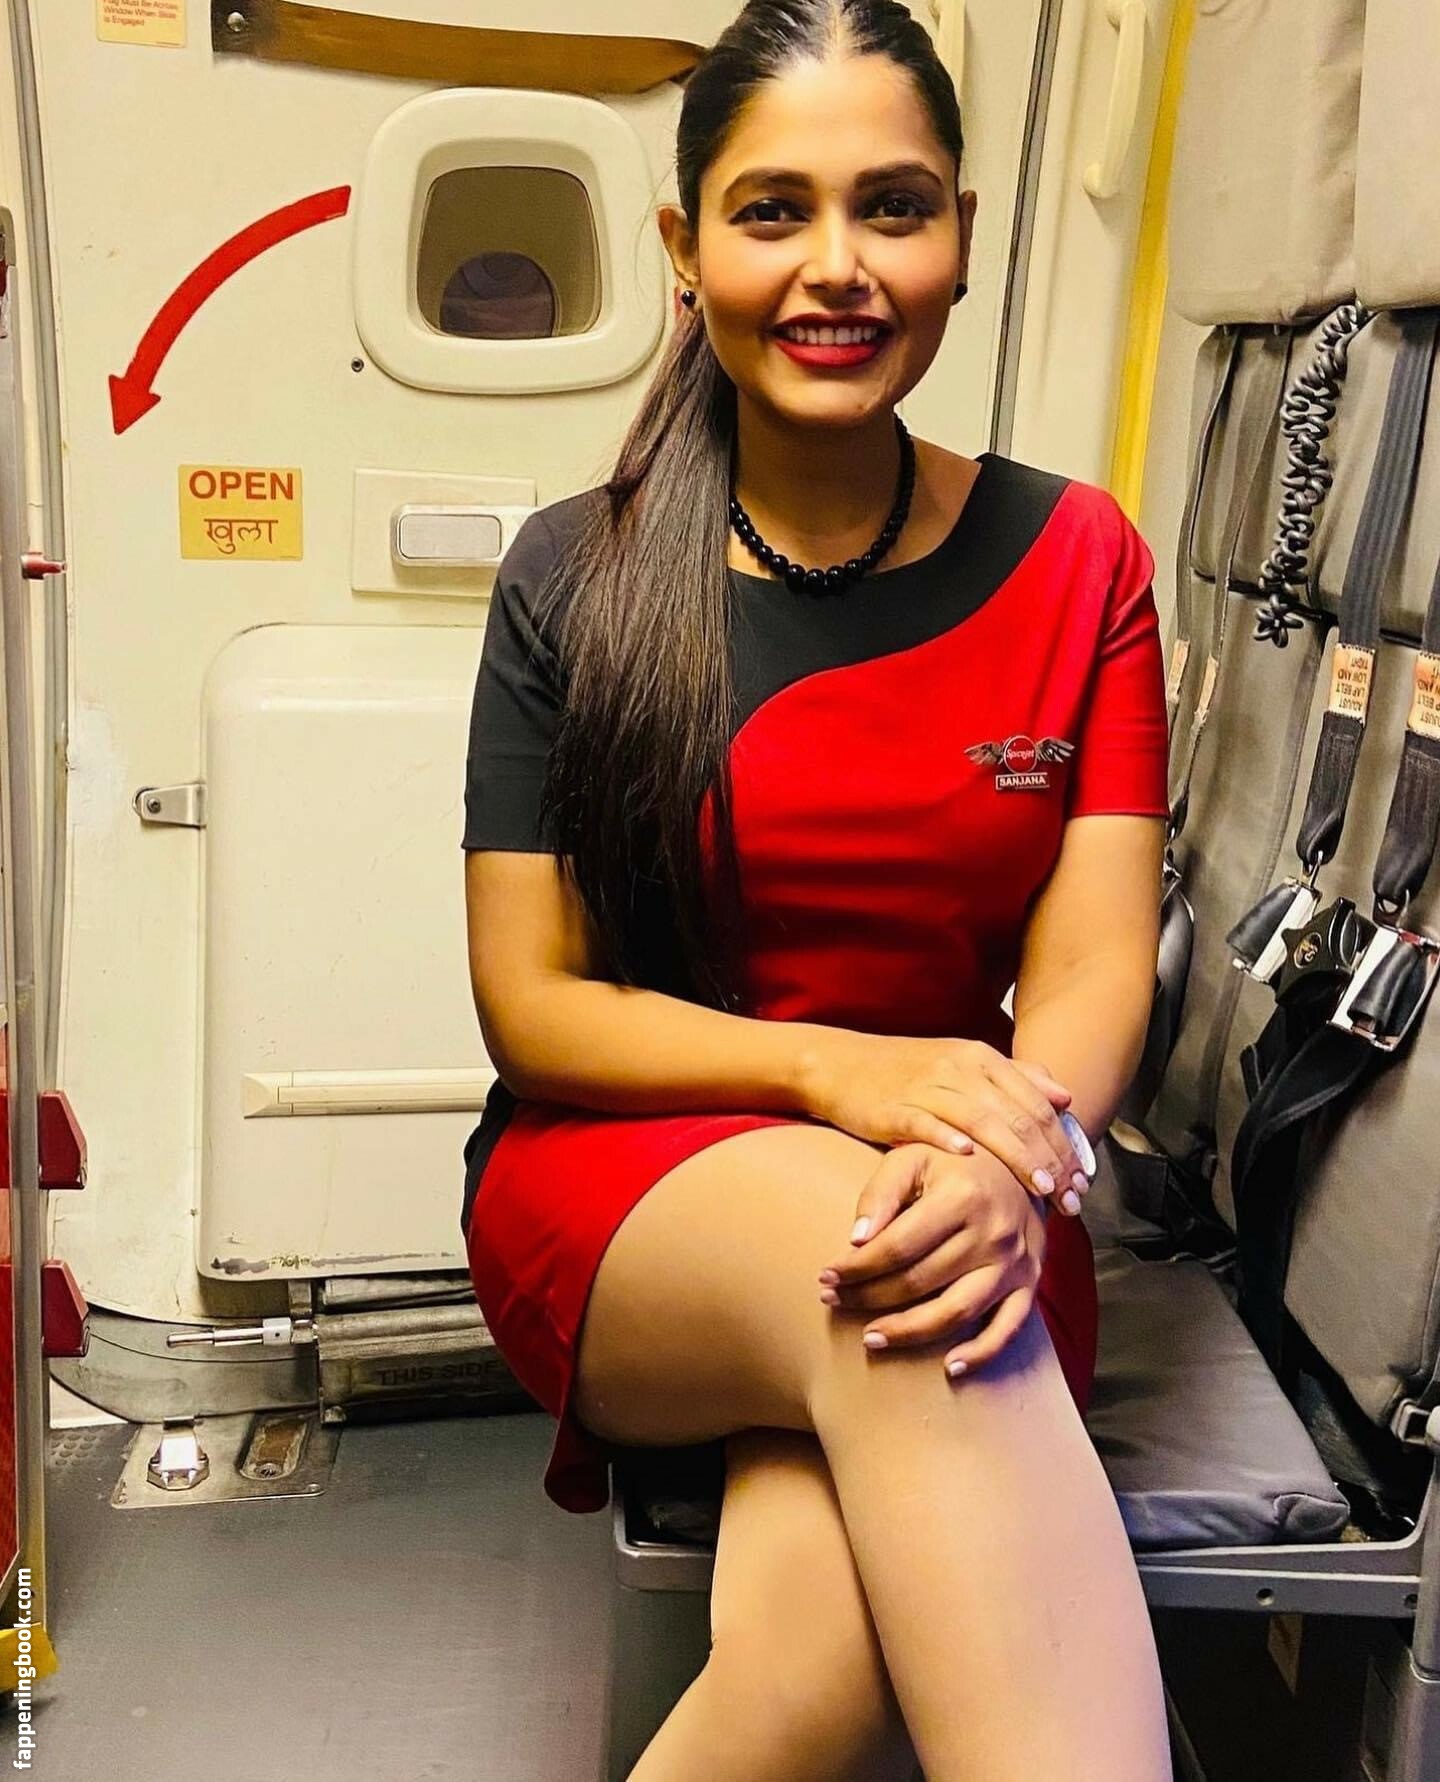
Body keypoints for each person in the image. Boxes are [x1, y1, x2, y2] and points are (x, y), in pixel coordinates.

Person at [460, 2, 1173, 1776]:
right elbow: (533, 1005)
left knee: (811, 1663)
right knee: (900, 1287)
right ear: (685, 246)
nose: (837, 265)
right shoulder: (575, 573)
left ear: (962, 236)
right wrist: (848, 1076)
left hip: (978, 1166)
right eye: (773, 210)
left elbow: (1094, 964)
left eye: (893, 206)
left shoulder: (1083, 559)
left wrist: (1019, 1154)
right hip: (634, 1169)